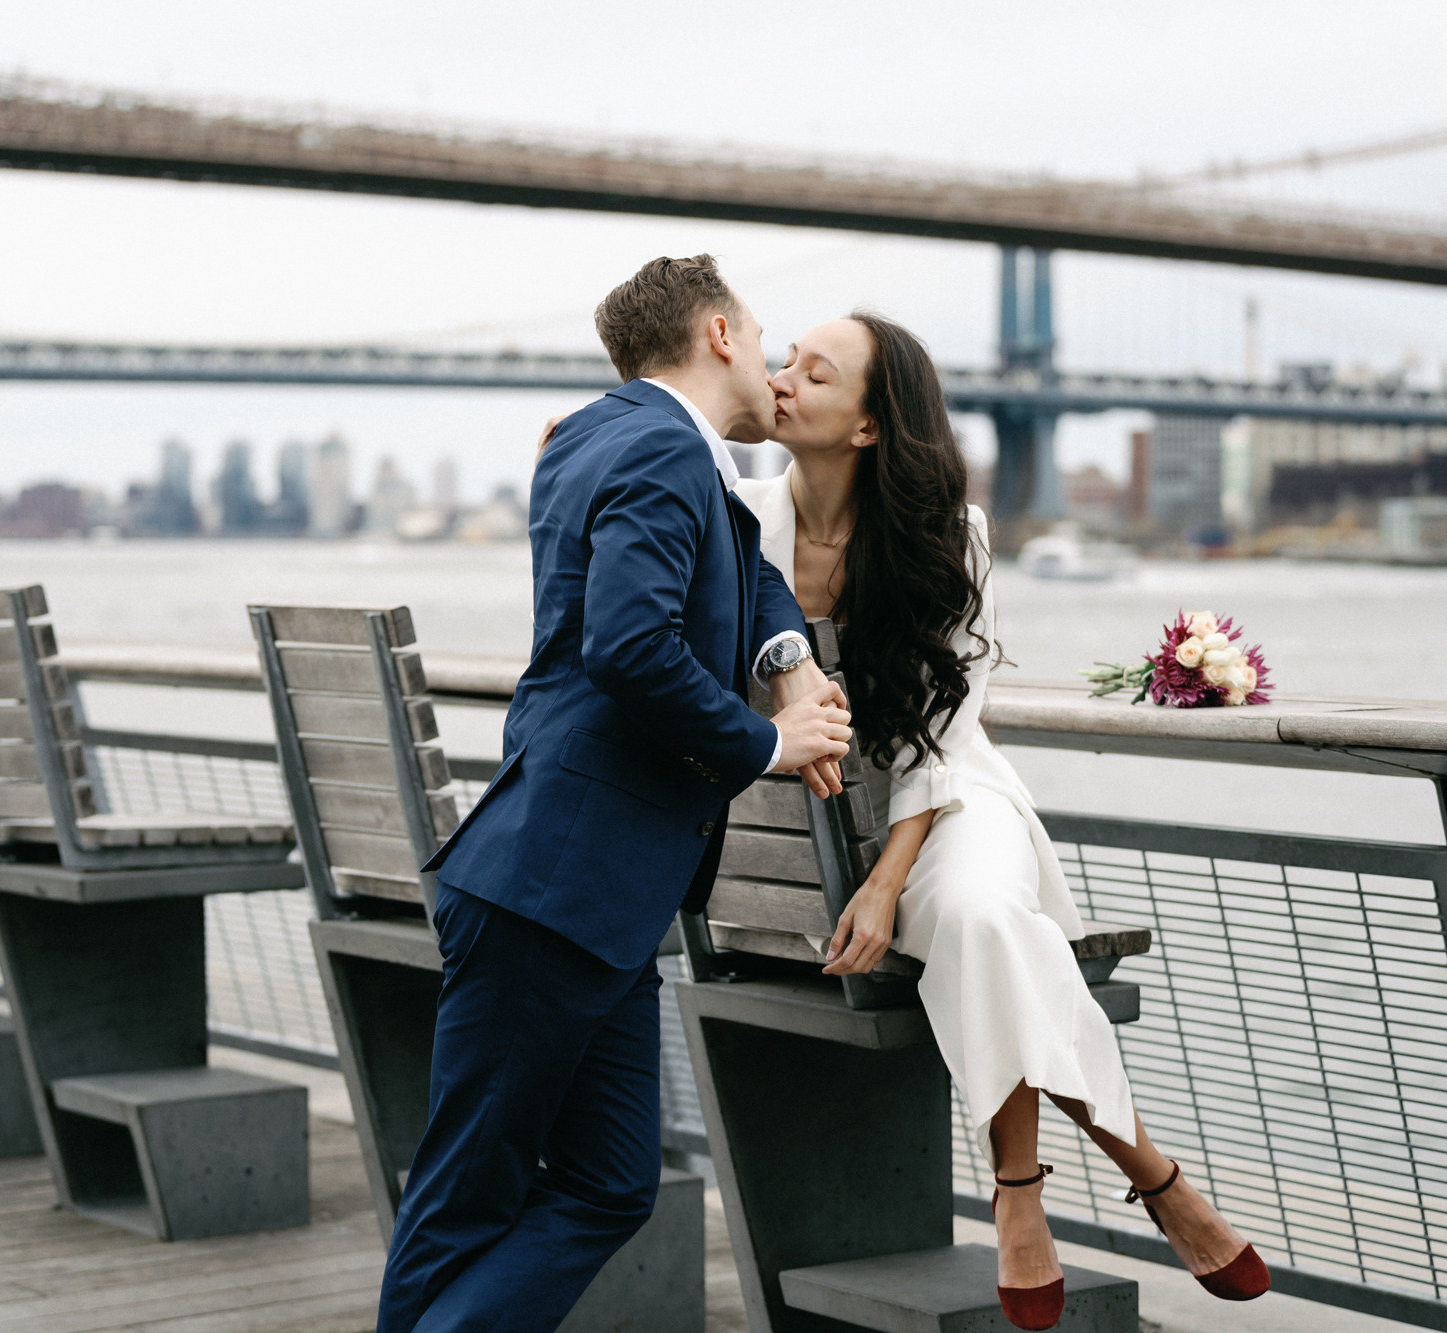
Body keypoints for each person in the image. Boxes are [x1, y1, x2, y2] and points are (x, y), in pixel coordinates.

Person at [734, 311, 1270, 1330]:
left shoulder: (953, 539)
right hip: (805, 820)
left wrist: (888, 882)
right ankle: (1153, 1174)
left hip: (945, 800)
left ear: (866, 428)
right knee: (1006, 938)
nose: (781, 377)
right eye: (782, 360)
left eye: (814, 370)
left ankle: (1015, 1194)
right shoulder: (731, 516)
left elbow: (941, 736)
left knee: (980, 915)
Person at [375, 255, 854, 1333]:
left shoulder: (618, 438)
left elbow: (735, 560)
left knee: (606, 1180)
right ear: (719, 333)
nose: (772, 356)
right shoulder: (655, 450)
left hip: (594, 897)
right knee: (465, 1195)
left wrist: (785, 653)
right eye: (761, 331)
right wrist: (768, 743)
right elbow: (630, 647)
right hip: (556, 885)